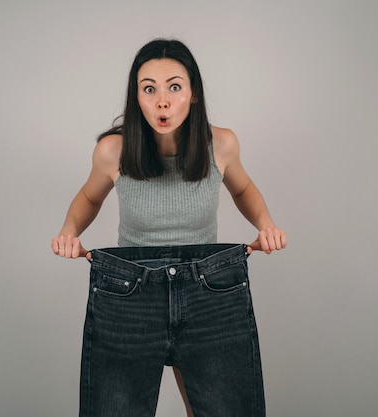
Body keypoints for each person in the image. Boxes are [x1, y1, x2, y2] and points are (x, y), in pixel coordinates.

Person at [51, 38, 286, 417]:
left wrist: (266, 224)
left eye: (174, 87)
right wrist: (69, 230)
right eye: (149, 89)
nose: (162, 101)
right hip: (133, 294)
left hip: (206, 292)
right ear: (137, 97)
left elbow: (243, 188)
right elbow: (89, 198)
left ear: (193, 93)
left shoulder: (220, 145)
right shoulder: (114, 150)